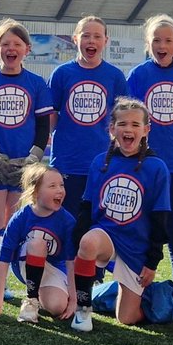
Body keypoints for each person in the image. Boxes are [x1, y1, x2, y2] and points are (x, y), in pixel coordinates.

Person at [0, 19, 54, 300]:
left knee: (13, 220)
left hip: (24, 163)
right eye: (5, 44)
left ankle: (5, 279)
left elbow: (43, 126)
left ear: (26, 49)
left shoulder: (36, 83)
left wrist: (33, 157)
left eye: (17, 44)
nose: (11, 48)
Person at [70, 97, 170, 331]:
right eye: (123, 124)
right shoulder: (99, 163)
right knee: (89, 241)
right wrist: (79, 247)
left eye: (136, 125)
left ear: (146, 130)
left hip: (137, 246)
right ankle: (83, 310)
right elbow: (86, 208)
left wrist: (152, 262)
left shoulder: (157, 167)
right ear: (112, 129)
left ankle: (156, 295)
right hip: (107, 236)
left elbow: (161, 218)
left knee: (126, 318)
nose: (129, 129)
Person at [127, 14, 173, 288]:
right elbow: (129, 114)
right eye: (156, 39)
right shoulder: (138, 75)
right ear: (148, 44)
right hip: (142, 161)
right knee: (140, 218)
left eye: (168, 40)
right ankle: (138, 274)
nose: (162, 44)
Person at [49, 16, 128, 215]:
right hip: (67, 162)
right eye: (86, 36)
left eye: (97, 36)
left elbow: (123, 120)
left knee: (99, 222)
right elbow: (51, 115)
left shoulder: (115, 76)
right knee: (66, 222)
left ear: (105, 41)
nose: (91, 41)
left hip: (102, 163)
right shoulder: (62, 74)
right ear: (75, 39)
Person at [0, 163, 77, 323]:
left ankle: (41, 292)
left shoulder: (67, 221)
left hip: (53, 268)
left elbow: (70, 263)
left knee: (57, 307)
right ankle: (31, 300)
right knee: (37, 243)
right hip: (25, 263)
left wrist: (74, 300)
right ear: (35, 192)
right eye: (52, 186)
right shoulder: (21, 218)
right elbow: (4, 259)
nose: (60, 190)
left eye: (61, 185)